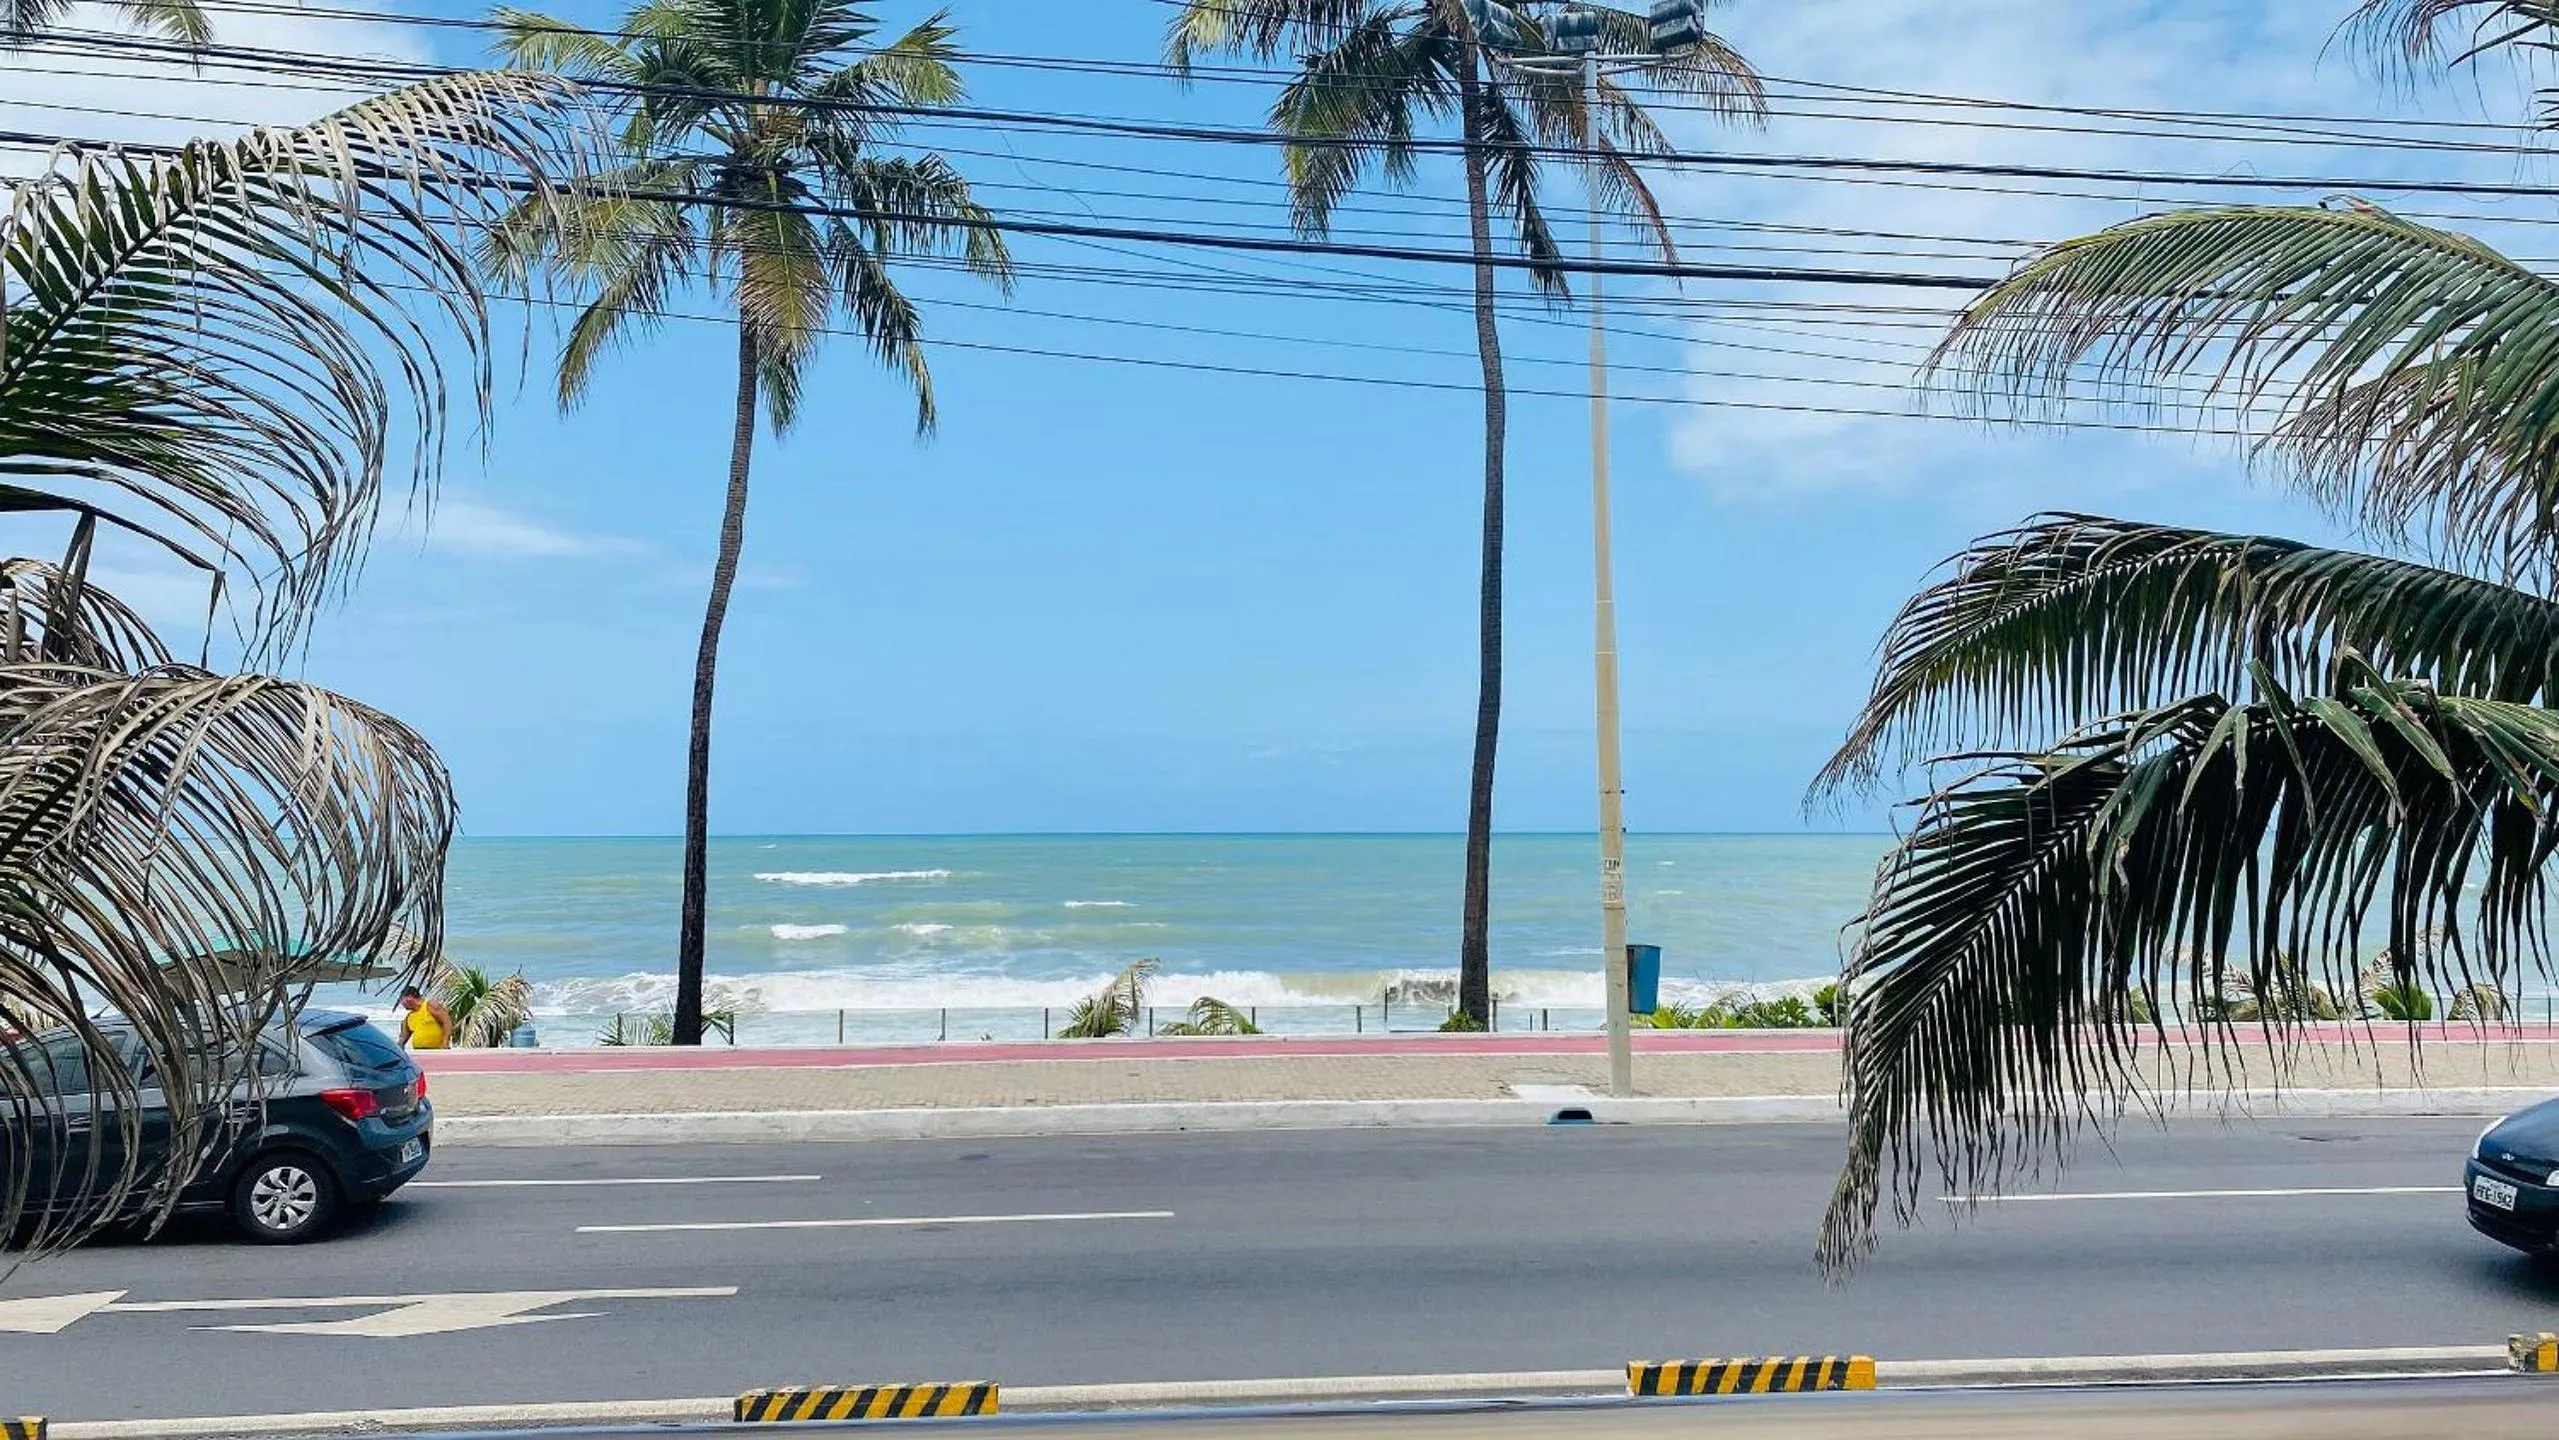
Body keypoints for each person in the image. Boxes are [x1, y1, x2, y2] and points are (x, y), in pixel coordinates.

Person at [397, 986, 453, 1051]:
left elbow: (447, 1022)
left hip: (437, 1052)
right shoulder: (408, 1017)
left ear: (409, 997)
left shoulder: (430, 1005)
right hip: (419, 1053)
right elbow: (402, 1040)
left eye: (401, 999)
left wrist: (445, 1043)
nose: (401, 1003)